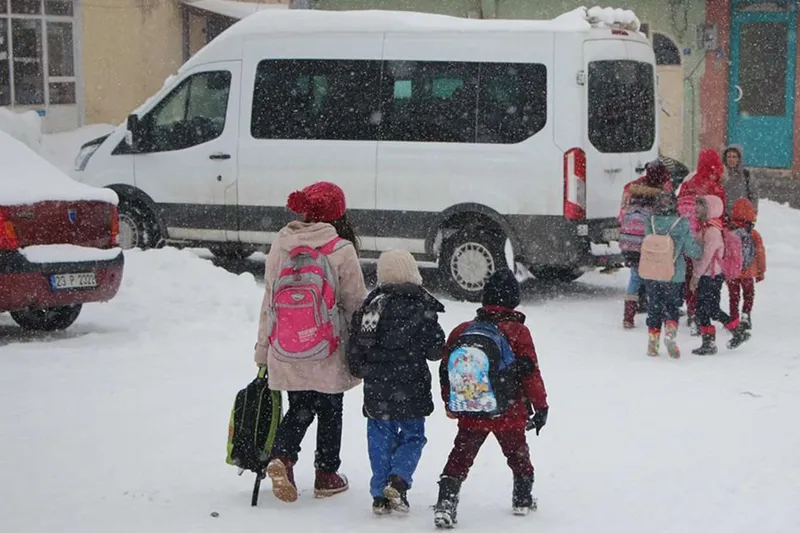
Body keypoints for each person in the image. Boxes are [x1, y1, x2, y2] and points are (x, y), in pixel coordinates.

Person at [253, 181, 367, 503]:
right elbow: (355, 304)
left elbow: (269, 300)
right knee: (331, 408)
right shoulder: (340, 248)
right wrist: (360, 347)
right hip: (327, 345)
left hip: (286, 343)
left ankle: (283, 456)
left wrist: (263, 348)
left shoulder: (282, 243)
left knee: (300, 406)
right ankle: (326, 474)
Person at [434, 269, 549, 528]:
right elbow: (530, 373)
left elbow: (446, 371)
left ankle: (446, 503)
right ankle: (522, 498)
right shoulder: (518, 332)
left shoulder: (463, 330)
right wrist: (541, 406)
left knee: (460, 456)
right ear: (514, 300)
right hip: (509, 411)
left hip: (472, 408)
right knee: (518, 454)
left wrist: (450, 402)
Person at [348, 249, 446, 515]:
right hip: (411, 387)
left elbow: (356, 354)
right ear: (413, 275)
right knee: (414, 436)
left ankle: (380, 495)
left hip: (377, 390)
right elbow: (435, 350)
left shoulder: (371, 309)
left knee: (380, 439)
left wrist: (366, 369)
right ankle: (399, 480)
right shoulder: (421, 308)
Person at [641, 192, 702, 358]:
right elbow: (690, 249)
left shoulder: (650, 221)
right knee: (672, 306)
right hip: (674, 273)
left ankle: (652, 343)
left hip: (652, 272)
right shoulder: (681, 223)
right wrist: (701, 251)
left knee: (654, 307)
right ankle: (670, 333)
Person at [689, 195, 750, 355]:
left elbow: (706, 257)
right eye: (696, 204)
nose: (696, 208)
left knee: (709, 309)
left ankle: (732, 333)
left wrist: (696, 276)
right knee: (705, 309)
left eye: (701, 205)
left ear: (711, 209)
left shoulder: (712, 231)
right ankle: (715, 340)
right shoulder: (707, 228)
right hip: (709, 275)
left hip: (710, 276)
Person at [677, 149, 727, 336]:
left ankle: (692, 309)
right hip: (705, 233)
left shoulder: (688, 183)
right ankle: (704, 313)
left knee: (690, 274)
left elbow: (678, 204)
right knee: (704, 274)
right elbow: (720, 211)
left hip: (686, 234)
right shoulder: (715, 187)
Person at [619, 160, 671, 328]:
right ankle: (657, 312)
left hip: (628, 241)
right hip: (645, 243)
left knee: (635, 277)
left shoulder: (634, 192)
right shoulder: (658, 198)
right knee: (653, 276)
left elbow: (621, 217)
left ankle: (628, 317)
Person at [727, 198, 766, 331]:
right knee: (748, 294)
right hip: (748, 271)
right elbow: (760, 253)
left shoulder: (728, 231)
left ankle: (734, 319)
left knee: (734, 296)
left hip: (732, 272)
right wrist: (761, 271)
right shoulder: (753, 234)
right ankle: (745, 314)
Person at [722, 145, 759, 218]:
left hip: (742, 216)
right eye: (729, 157)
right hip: (723, 217)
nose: (731, 159)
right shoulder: (721, 174)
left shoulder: (746, 175)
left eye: (734, 157)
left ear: (739, 159)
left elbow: (754, 195)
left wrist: (753, 212)